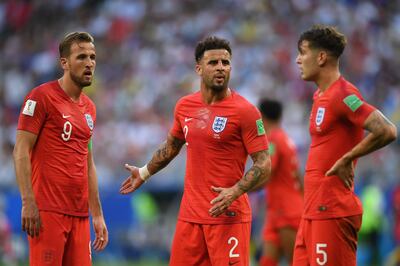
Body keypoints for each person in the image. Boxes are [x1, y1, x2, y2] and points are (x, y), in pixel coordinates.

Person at [120, 36, 271, 266]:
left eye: (225, 62)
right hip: (190, 217)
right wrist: (144, 172)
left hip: (227, 216)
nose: (221, 67)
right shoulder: (185, 106)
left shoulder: (245, 111)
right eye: (213, 62)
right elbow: (171, 147)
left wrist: (235, 191)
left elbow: (264, 163)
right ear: (199, 68)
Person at [293, 25, 397, 266]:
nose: (298, 60)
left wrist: (346, 158)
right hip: (312, 212)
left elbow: (387, 130)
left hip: (332, 210)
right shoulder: (320, 95)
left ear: (321, 57)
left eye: (303, 52)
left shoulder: (343, 93)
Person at [13, 32, 108, 266]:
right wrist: (28, 202)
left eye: (93, 57)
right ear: (64, 63)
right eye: (82, 57)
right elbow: (21, 150)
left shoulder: (89, 109)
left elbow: (88, 163)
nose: (89, 63)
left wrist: (96, 214)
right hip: (47, 212)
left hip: (79, 216)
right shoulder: (41, 97)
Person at [257, 99, 303, 266]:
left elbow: (266, 172)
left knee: (295, 261)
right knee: (267, 261)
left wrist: (238, 189)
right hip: (278, 210)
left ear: (261, 116)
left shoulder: (273, 139)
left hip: (287, 211)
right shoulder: (284, 138)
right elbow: (297, 175)